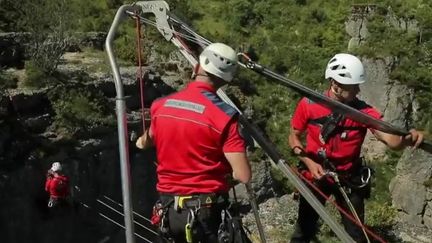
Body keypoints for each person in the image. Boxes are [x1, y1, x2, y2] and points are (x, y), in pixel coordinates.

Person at [288, 53, 424, 243]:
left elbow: (391, 141)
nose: (358, 90)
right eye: (353, 87)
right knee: (304, 230)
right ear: (335, 85)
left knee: (356, 234)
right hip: (315, 174)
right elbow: (294, 137)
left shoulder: (363, 113)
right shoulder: (309, 105)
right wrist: (308, 162)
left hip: (348, 177)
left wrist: (408, 138)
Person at [136, 43, 252, 243]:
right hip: (206, 213)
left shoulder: (161, 105)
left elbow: (143, 143)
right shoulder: (225, 117)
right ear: (226, 81)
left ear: (197, 67)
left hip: (169, 210)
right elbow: (242, 175)